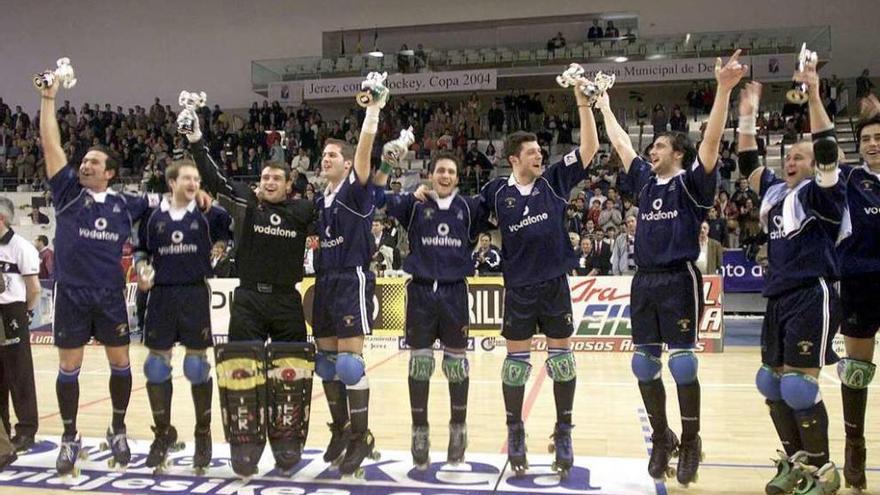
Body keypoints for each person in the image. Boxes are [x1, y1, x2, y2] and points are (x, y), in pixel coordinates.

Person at [597, 50, 745, 485]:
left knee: (682, 365)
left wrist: (723, 89)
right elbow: (621, 143)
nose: (651, 149)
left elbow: (713, 142)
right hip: (644, 281)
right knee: (644, 365)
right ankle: (663, 437)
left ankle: (693, 439)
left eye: (659, 145)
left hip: (678, 277)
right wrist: (603, 103)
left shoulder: (692, 183)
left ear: (677, 152)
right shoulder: (644, 180)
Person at [39, 77, 167, 475]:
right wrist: (48, 98)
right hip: (72, 292)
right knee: (69, 366)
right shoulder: (67, 193)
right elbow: (51, 145)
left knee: (120, 362)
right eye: (85, 161)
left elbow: (166, 208)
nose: (85, 165)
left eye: (94, 162)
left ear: (109, 173)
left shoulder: (127, 203)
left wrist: (148, 261)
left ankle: (117, 427)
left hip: (110, 293)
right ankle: (69, 435)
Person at [180, 102, 316, 477]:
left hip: (288, 300)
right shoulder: (245, 204)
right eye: (265, 177)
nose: (269, 182)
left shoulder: (305, 211)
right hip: (249, 301)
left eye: (277, 178)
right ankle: (245, 445)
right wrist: (196, 139)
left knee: (292, 375)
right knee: (242, 376)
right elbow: (213, 176)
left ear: (290, 185)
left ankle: (288, 443)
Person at [478, 69, 600, 478]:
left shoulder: (554, 181)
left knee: (562, 362)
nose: (539, 156)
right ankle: (516, 431)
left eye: (540, 152)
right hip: (519, 289)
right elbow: (463, 216)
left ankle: (563, 430)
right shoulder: (495, 191)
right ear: (514, 159)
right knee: (516, 364)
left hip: (553, 286)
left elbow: (590, 146)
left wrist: (583, 101)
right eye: (532, 153)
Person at [737, 71, 845, 493]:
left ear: (813, 163)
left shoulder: (822, 194)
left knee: (800, 386)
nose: (790, 162)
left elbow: (828, 147)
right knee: (772, 383)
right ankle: (797, 461)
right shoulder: (774, 194)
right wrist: (746, 117)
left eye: (798, 157)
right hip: (779, 296)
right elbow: (748, 163)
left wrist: (815, 95)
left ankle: (823, 470)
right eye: (787, 158)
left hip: (810, 293)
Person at [383, 150, 487, 469]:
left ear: (457, 178)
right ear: (430, 175)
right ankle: (420, 430)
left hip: (455, 292)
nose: (445, 176)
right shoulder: (415, 206)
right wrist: (388, 164)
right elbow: (374, 194)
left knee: (456, 366)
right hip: (421, 291)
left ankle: (458, 428)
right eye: (440, 170)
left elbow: (508, 205)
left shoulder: (470, 208)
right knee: (420, 366)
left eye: (451, 172)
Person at [134, 160, 231, 475]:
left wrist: (212, 199)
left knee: (196, 366)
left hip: (193, 294)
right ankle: (163, 434)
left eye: (197, 178)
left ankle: (203, 434)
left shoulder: (208, 214)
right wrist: (142, 270)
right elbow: (142, 251)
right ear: (171, 182)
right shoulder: (152, 216)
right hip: (161, 295)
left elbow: (233, 223)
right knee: (156, 367)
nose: (193, 182)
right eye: (187, 178)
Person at [311, 72, 385, 477]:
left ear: (346, 163)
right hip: (323, 282)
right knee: (326, 364)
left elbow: (365, 156)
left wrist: (371, 113)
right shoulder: (320, 200)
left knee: (350, 366)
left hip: (351, 277)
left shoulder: (355, 192)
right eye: (323, 156)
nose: (326, 160)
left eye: (332, 156)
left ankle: (361, 436)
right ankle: (340, 429)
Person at [834, 108, 880, 491]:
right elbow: (823, 141)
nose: (872, 144)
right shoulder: (851, 178)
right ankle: (854, 449)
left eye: (878, 138)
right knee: (857, 370)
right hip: (860, 282)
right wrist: (814, 91)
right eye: (865, 139)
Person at [0, 197, 40, 454]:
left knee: (19, 372)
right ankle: (2, 431)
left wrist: (25, 313)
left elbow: (34, 289)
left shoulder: (20, 247)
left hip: (12, 312)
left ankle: (26, 430)